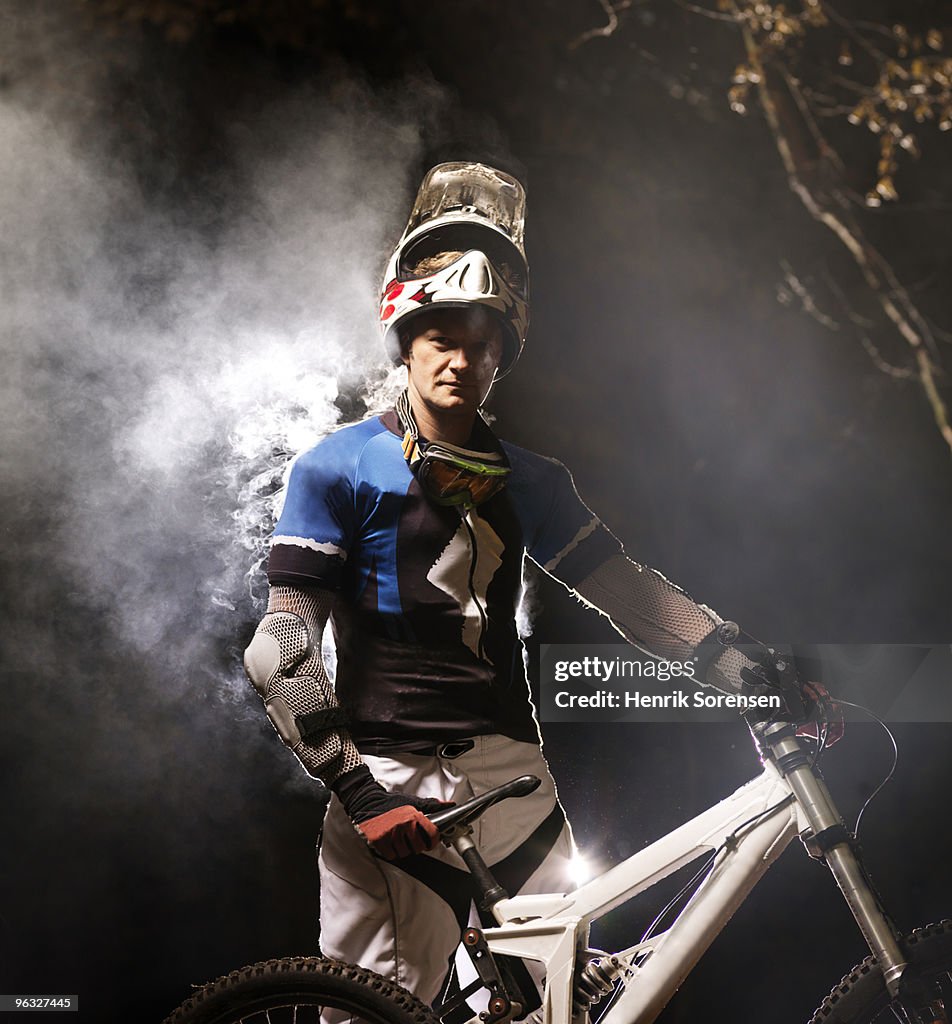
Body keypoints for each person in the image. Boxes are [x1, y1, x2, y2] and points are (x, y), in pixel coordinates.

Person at [242, 162, 825, 1007]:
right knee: (368, 1012)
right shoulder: (337, 467)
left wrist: (755, 672)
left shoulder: (533, 481)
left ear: (503, 355)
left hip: (512, 778)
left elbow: (630, 593)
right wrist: (358, 792)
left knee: (568, 1005)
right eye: (443, 336)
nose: (462, 360)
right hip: (387, 777)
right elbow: (282, 644)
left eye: (484, 343)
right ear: (405, 337)